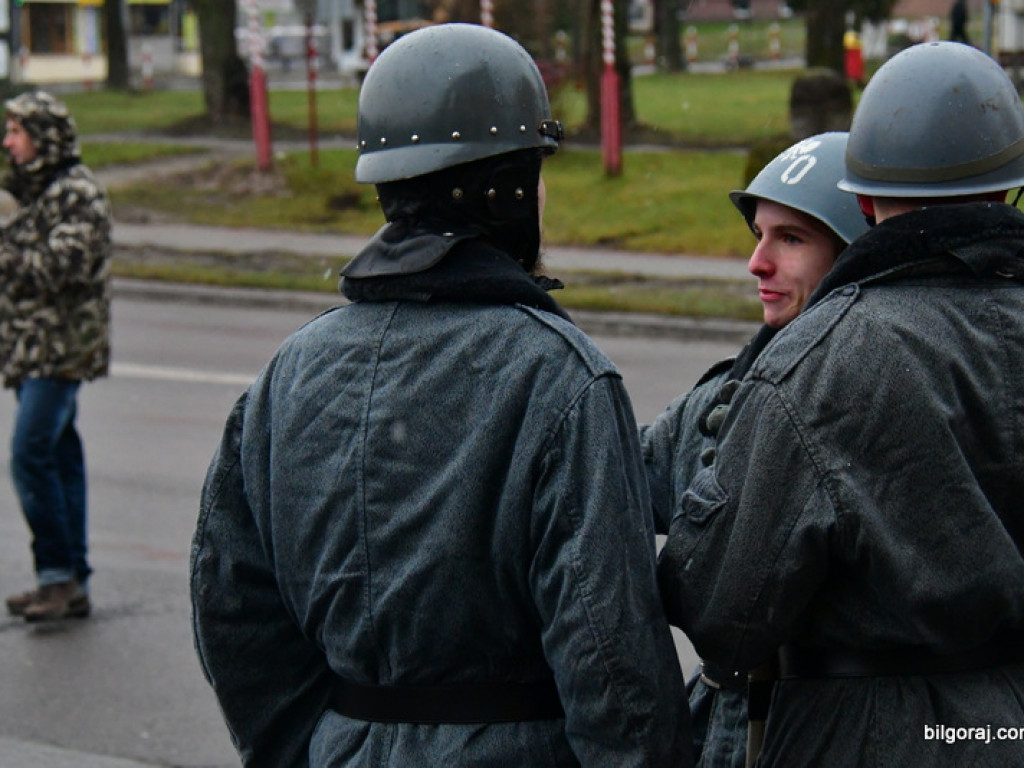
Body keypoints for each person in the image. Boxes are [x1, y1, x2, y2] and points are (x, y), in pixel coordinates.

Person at [191, 23, 690, 767]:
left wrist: (313, 747)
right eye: (536, 172)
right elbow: (613, 662)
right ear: (505, 191)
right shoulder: (559, 375)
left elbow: (232, 608)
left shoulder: (288, 370)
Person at [657, 40, 1024, 767]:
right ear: (1009, 190)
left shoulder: (822, 359)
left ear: (861, 203)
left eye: (791, 237)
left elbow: (724, 607)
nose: (760, 262)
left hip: (867, 734)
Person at [640, 132, 867, 768]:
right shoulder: (727, 392)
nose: (756, 263)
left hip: (830, 731)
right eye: (759, 235)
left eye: (790, 239)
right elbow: (621, 475)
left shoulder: (879, 399)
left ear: (852, 253)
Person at [1, 91, 112, 623]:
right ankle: (70, 578)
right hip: (31, 349)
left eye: (16, 131)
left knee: (29, 454)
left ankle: (57, 575)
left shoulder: (77, 193)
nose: (8, 142)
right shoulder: (31, 190)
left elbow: (61, 265)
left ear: (44, 137)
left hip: (62, 350)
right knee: (59, 457)